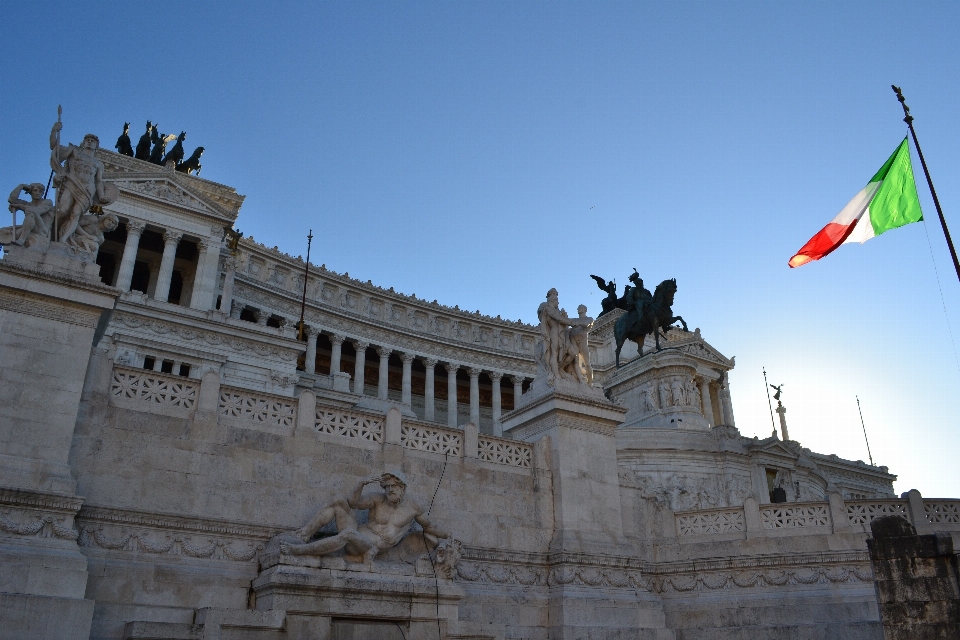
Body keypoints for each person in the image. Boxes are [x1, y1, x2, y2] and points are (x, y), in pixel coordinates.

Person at [279, 470, 450, 564]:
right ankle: (303, 535)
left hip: (368, 545)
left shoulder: (414, 508)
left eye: (394, 487)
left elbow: (430, 527)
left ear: (403, 488)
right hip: (359, 534)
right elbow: (353, 503)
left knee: (348, 534)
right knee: (339, 500)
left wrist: (448, 535)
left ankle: (298, 551)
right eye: (387, 486)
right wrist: (361, 483)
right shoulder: (377, 498)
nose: (390, 490)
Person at [49, 121, 112, 242]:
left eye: (93, 141)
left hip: (88, 189)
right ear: (83, 143)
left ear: (96, 146)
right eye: (87, 140)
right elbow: (54, 148)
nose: (89, 142)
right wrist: (54, 131)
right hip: (71, 183)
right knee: (62, 210)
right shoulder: (73, 152)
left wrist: (102, 195)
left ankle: (63, 239)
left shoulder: (98, 163)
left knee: (76, 214)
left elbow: (98, 181)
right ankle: (50, 232)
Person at [3, 183, 54, 247]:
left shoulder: (48, 202)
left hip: (43, 231)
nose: (38, 193)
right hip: (30, 227)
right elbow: (12, 200)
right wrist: (21, 186)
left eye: (40, 191)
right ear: (30, 192)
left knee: (31, 213)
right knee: (4, 231)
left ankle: (21, 240)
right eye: (35, 190)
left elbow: (37, 211)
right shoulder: (28, 204)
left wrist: (19, 206)